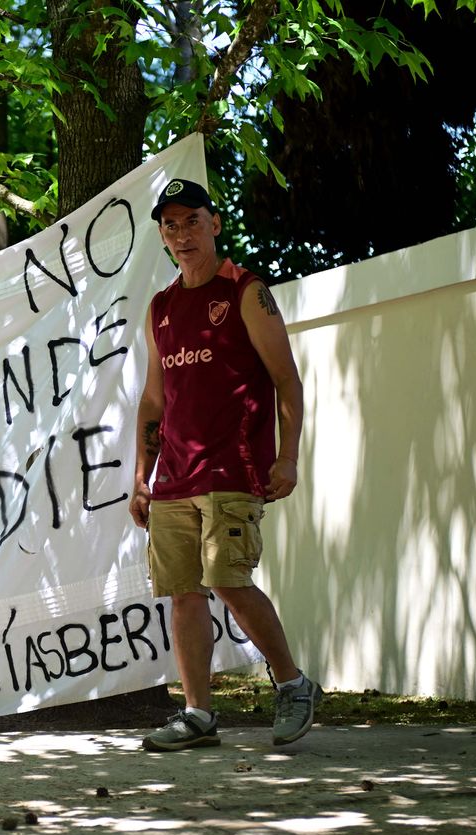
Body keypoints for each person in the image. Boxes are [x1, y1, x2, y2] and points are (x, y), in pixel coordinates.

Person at [130, 177, 322, 752]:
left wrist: (287, 456)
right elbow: (154, 401)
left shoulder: (246, 290)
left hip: (234, 470)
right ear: (161, 235)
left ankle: (293, 684)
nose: (182, 234)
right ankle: (197, 715)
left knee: (226, 578)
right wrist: (141, 477)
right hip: (173, 479)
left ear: (214, 224)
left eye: (193, 221)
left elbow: (286, 378)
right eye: (171, 225)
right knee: (183, 593)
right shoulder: (161, 307)